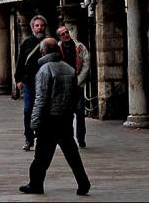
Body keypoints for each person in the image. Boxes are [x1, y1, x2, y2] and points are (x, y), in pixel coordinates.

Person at [20, 37, 91, 196]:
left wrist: (34, 122)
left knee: (41, 156)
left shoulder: (45, 70)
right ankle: (83, 182)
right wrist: (69, 112)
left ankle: (36, 184)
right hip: (65, 117)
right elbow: (74, 96)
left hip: (49, 119)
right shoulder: (69, 69)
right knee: (72, 153)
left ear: (43, 51)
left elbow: (41, 98)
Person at [15, 15, 50, 151]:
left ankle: (43, 137)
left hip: (45, 83)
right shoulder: (27, 43)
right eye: (37, 25)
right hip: (29, 82)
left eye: (41, 25)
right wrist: (18, 79)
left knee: (45, 111)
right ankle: (29, 138)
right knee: (28, 109)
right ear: (32, 27)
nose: (39, 28)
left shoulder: (50, 42)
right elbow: (20, 62)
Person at [57, 26, 91, 148]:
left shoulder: (79, 47)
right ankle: (68, 138)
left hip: (77, 84)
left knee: (80, 111)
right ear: (59, 37)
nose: (66, 35)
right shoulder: (57, 48)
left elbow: (86, 65)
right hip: (64, 86)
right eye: (62, 34)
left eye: (67, 32)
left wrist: (78, 81)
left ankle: (81, 138)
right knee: (66, 113)